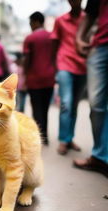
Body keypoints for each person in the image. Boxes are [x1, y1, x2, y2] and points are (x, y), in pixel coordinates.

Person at [74, 0, 108, 174]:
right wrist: (79, 38)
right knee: (96, 105)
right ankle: (100, 156)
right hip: (101, 46)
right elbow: (90, 13)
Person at [51, 0, 86, 154]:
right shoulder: (60, 20)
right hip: (64, 64)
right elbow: (54, 45)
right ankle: (63, 140)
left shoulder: (88, 19)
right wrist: (55, 67)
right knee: (66, 103)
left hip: (83, 66)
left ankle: (69, 138)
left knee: (74, 106)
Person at [23, 12, 55, 145]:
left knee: (37, 109)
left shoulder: (30, 38)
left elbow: (27, 60)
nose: (30, 26)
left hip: (34, 79)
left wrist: (25, 76)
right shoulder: (52, 37)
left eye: (31, 23)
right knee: (45, 108)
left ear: (36, 22)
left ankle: (39, 136)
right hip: (49, 78)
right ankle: (45, 136)